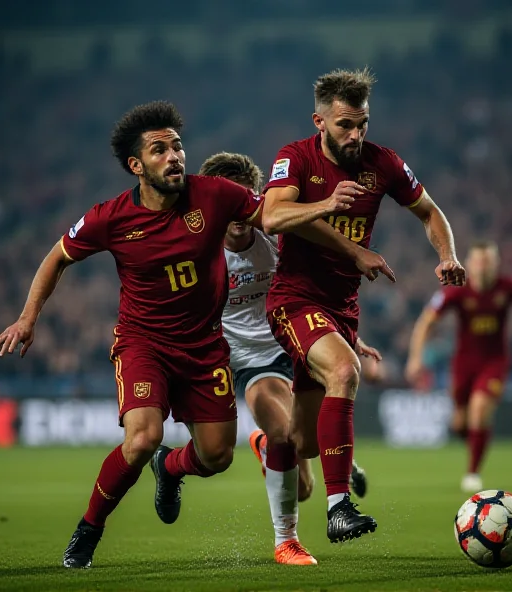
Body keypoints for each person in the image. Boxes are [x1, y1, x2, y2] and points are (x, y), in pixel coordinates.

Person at [0, 101, 393, 569]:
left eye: (178, 146)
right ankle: (90, 528)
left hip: (207, 351)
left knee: (220, 456)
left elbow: (279, 219)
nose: (174, 156)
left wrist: (342, 246)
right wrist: (27, 317)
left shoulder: (218, 197)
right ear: (136, 166)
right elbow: (57, 256)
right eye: (159, 150)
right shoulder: (111, 217)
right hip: (147, 343)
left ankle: (172, 465)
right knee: (142, 439)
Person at [261, 68, 466, 543]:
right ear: (319, 121)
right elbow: (272, 216)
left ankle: (274, 443)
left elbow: (430, 211)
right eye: (344, 125)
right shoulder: (294, 158)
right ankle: (339, 509)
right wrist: (328, 204)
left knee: (303, 441)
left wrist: (447, 255)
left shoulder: (383, 163)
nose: (355, 135)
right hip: (293, 299)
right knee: (346, 371)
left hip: (341, 309)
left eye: (363, 124)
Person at [200, 152, 380, 565]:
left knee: (304, 484)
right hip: (250, 363)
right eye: (228, 202)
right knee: (285, 439)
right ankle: (286, 542)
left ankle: (276, 446)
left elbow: (304, 294)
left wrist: (347, 336)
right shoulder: (200, 254)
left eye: (247, 199)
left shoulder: (277, 240)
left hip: (293, 344)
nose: (239, 211)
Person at [405, 240, 512, 492]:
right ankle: (474, 437)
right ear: (468, 264)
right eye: (479, 261)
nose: (483, 266)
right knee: (460, 424)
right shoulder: (457, 289)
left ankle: (472, 472)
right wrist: (416, 358)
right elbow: (426, 321)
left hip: (495, 362)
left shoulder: (508, 286)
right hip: (463, 364)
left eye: (488, 261)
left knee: (479, 410)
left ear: (496, 264)